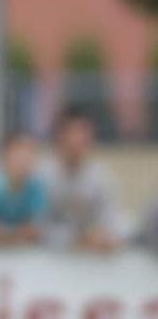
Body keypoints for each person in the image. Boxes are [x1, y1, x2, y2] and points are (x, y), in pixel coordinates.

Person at [39, 105, 124, 252]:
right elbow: (38, 226)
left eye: (83, 133)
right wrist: (77, 237)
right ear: (60, 136)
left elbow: (112, 220)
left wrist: (105, 237)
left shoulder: (102, 178)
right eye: (72, 133)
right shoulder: (42, 177)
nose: (77, 140)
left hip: (93, 262)